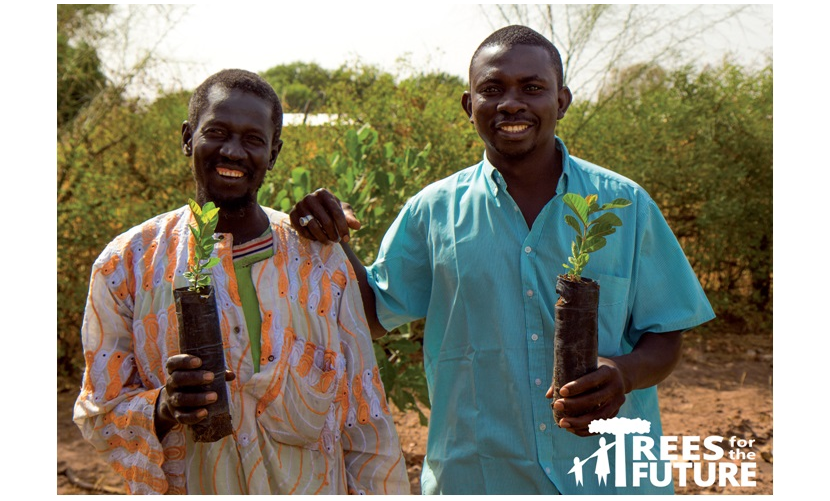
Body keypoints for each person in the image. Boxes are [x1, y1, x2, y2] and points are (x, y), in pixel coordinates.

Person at [290, 26, 715, 495]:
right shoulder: (432, 212)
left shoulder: (623, 204)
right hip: (479, 477)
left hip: (607, 476)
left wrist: (624, 373)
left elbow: (666, 335)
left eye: (533, 88)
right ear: (469, 105)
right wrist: (330, 237)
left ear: (563, 101)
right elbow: (374, 313)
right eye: (492, 89)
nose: (512, 103)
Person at [73, 69, 409, 495]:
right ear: (186, 138)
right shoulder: (126, 265)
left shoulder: (318, 259)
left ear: (273, 154)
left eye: (253, 139)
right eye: (216, 132)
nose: (232, 151)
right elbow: (100, 414)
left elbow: (365, 414)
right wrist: (162, 406)